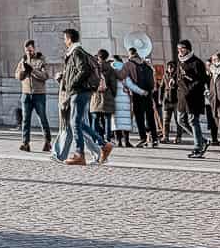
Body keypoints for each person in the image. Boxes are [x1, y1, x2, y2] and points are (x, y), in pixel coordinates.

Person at [59, 27, 108, 166]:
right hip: (81, 91)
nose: (64, 42)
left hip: (79, 91)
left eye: (65, 39)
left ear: (69, 39)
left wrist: (72, 85)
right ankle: (103, 144)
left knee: (75, 122)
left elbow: (83, 70)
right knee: (78, 122)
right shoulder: (78, 52)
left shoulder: (76, 52)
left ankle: (80, 154)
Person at [14, 40, 52, 153]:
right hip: (26, 94)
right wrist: (23, 72)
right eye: (26, 51)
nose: (28, 53)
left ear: (34, 49)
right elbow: (17, 75)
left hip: (39, 94)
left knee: (42, 118)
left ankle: (47, 142)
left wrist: (33, 71)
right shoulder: (23, 60)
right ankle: (25, 143)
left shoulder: (41, 60)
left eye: (30, 50)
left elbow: (46, 76)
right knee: (25, 119)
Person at [176, 38, 209, 158]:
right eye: (179, 48)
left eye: (182, 48)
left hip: (193, 97)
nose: (180, 51)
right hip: (182, 97)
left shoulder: (197, 62)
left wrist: (190, 87)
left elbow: (202, 80)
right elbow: (179, 77)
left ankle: (198, 147)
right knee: (180, 121)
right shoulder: (180, 61)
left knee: (193, 121)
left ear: (188, 49)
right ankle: (202, 140)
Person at [125, 47, 158, 148]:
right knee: (150, 116)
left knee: (139, 117)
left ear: (130, 55)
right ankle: (154, 139)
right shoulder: (146, 65)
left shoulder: (130, 65)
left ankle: (143, 138)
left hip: (138, 93)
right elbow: (152, 81)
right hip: (148, 93)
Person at [109, 54, 133, 147]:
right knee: (124, 120)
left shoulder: (112, 72)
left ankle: (120, 141)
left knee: (116, 120)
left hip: (116, 98)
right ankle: (125, 141)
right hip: (123, 97)